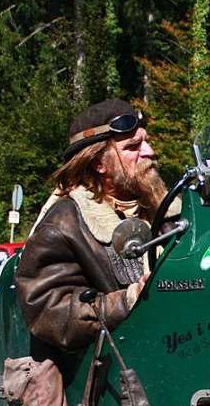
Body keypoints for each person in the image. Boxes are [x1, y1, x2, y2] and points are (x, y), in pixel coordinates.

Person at [15, 98, 177, 351]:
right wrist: (129, 299)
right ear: (99, 164)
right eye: (133, 146)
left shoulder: (171, 210)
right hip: (108, 371)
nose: (149, 151)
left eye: (146, 141)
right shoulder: (63, 224)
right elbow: (48, 311)